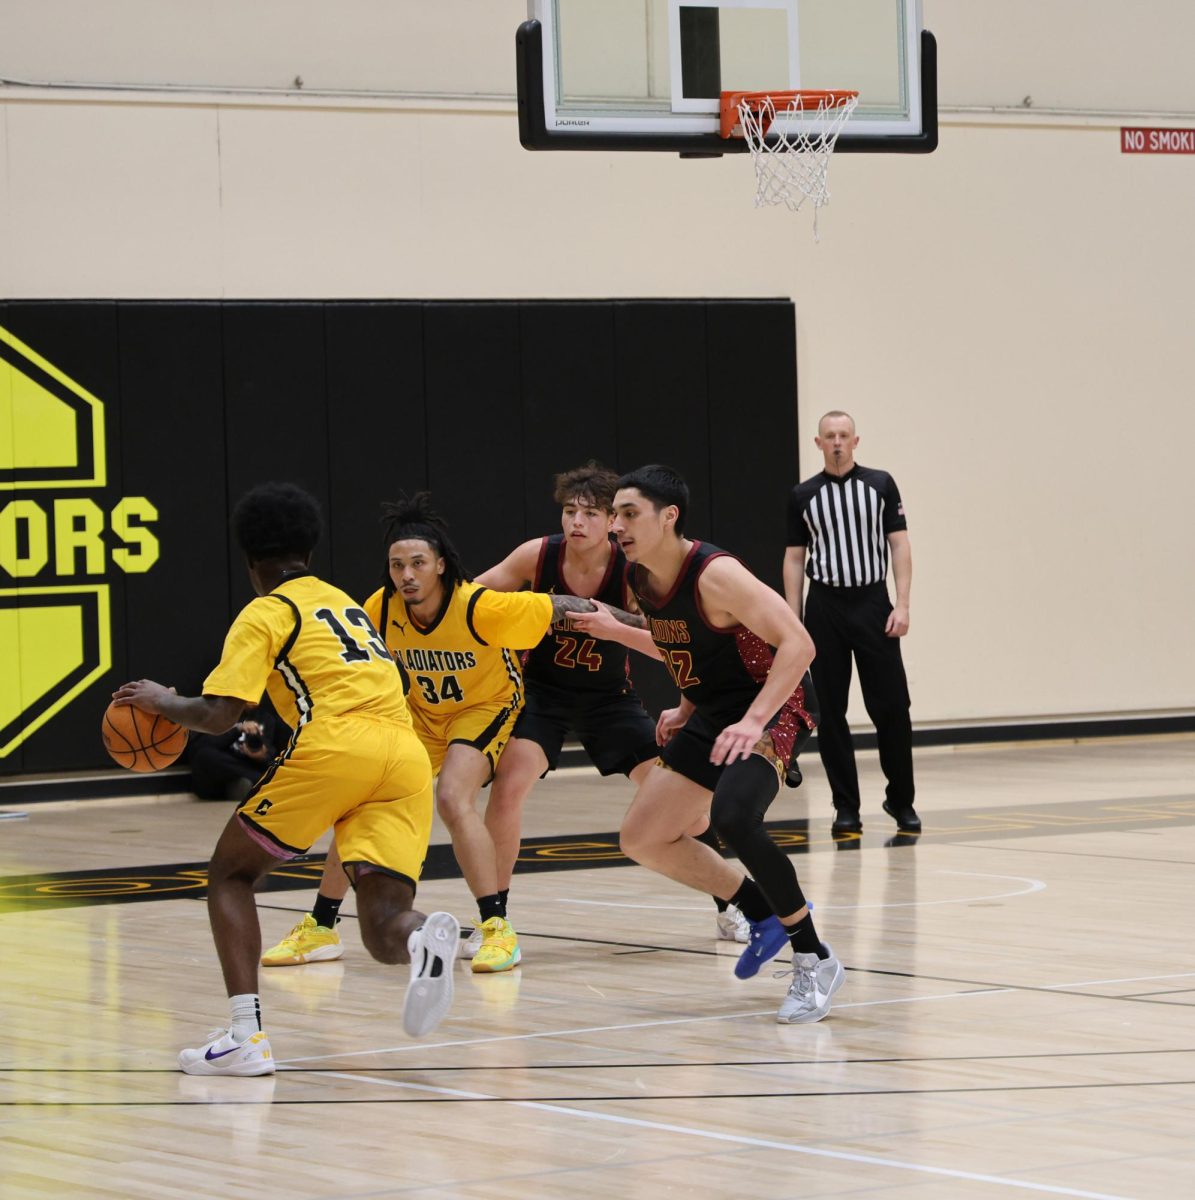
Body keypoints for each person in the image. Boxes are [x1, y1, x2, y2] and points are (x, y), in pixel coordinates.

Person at [112, 482, 459, 1075]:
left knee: (229, 873)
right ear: (311, 549)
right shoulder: (344, 602)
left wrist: (165, 701)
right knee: (381, 928)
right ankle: (423, 936)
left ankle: (246, 1038)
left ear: (251, 561)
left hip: (336, 745)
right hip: (403, 754)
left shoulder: (266, 611)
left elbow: (221, 714)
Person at [263, 493, 607, 976]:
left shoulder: (477, 605)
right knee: (360, 799)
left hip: (483, 707)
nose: (406, 574)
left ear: (441, 565)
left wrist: (648, 626)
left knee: (451, 796)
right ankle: (321, 925)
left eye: (418, 563)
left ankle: (496, 927)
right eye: (397, 564)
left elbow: (560, 607)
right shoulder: (379, 610)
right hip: (419, 716)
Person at [576, 464, 841, 1025]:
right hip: (716, 710)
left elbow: (800, 644)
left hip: (775, 702)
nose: (616, 526)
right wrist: (686, 704)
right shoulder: (643, 579)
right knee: (643, 836)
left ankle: (813, 956)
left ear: (669, 517)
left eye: (629, 514)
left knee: (733, 816)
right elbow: (690, 647)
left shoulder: (716, 574)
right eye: (614, 515)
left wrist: (754, 722)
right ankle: (758, 911)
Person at [782, 410, 918, 837]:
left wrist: (903, 604)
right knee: (832, 712)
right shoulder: (803, 495)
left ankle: (901, 800)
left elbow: (899, 544)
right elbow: (793, 558)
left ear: (856, 441)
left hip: (873, 604)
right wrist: (793, 620)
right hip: (825, 607)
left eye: (844, 435)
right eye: (829, 436)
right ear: (817, 443)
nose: (837, 442)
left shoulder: (880, 484)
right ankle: (846, 808)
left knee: (892, 707)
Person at [187, 701, 281, 802]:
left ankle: (247, 784)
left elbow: (270, 751)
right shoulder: (219, 714)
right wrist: (238, 729)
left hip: (245, 766)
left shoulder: (266, 718)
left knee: (273, 763)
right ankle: (260, 781)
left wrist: (261, 756)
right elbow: (205, 745)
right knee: (204, 755)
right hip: (219, 770)